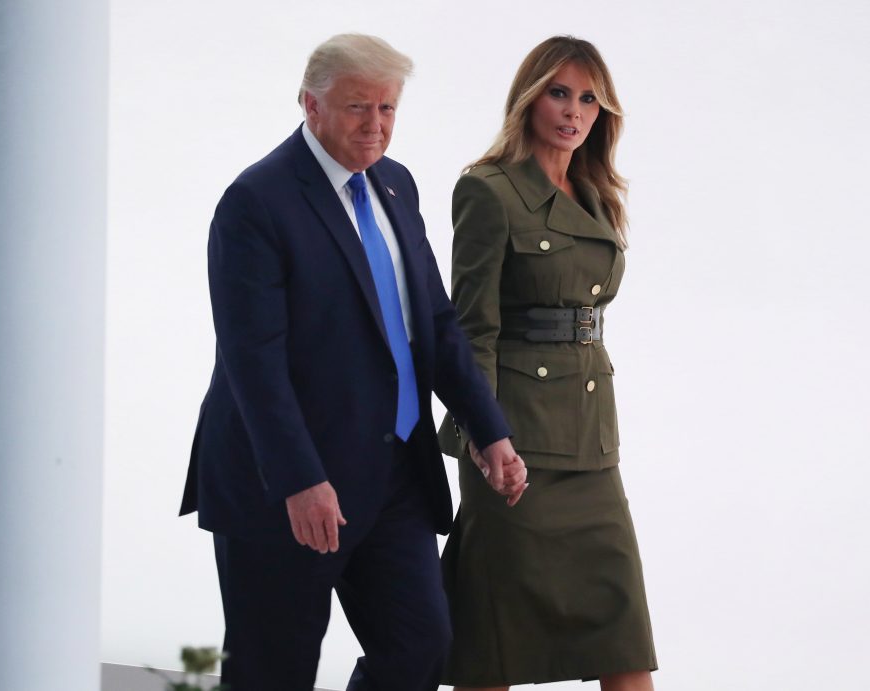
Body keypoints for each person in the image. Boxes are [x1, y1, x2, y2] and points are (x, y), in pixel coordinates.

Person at [179, 33, 527, 691]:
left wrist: (490, 428)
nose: (375, 126)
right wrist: (298, 478)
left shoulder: (395, 185)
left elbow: (435, 323)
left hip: (393, 469)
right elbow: (254, 362)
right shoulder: (256, 203)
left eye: (388, 109)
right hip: (286, 479)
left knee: (422, 644)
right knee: (270, 670)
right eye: (357, 108)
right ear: (310, 106)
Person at [437, 36, 657, 690]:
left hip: (590, 440)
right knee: (495, 637)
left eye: (589, 98)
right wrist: (484, 432)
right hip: (515, 438)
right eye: (559, 93)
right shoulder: (488, 191)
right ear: (530, 98)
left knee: (623, 636)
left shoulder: (594, 192)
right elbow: (470, 328)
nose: (574, 111)